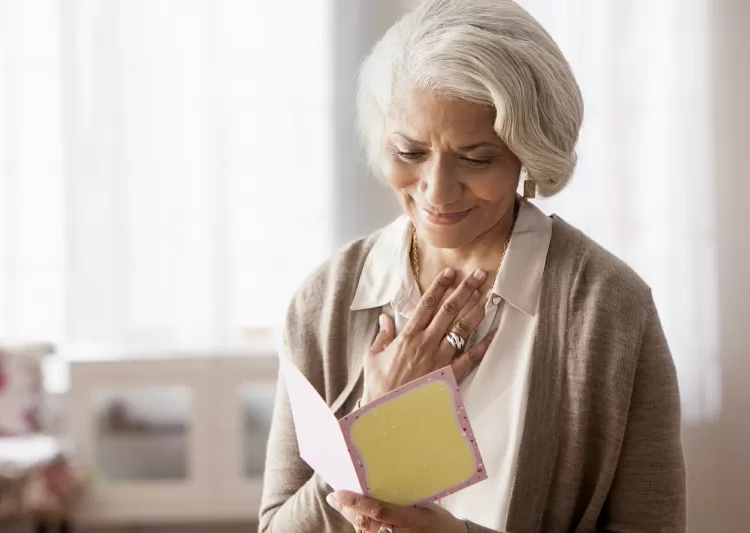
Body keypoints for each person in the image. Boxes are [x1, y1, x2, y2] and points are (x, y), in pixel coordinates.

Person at [258, 0, 686, 531]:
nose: (436, 191)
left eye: (477, 157)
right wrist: (371, 417)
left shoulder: (610, 310)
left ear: (529, 151)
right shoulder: (325, 301)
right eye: (410, 152)